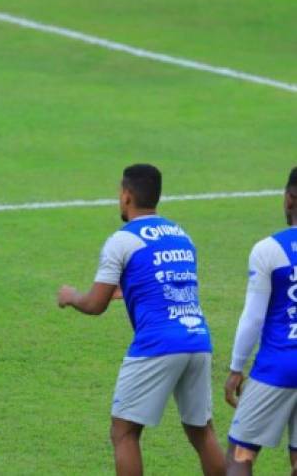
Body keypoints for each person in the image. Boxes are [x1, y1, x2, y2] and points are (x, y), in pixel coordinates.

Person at [57, 163, 225, 476]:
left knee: (124, 433)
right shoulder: (181, 236)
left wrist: (71, 296)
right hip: (197, 340)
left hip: (157, 344)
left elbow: (95, 304)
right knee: (203, 433)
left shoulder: (122, 240)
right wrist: (129, 289)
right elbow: (168, 283)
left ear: (126, 196)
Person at [224, 167, 297, 475]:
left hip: (277, 365)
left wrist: (236, 368)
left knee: (241, 453)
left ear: (290, 199)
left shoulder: (269, 249)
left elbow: (253, 317)